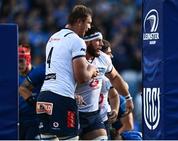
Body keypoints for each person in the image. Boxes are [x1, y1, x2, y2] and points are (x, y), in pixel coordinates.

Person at [36, 5, 98, 140]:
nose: (89, 28)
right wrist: (92, 69)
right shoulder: (77, 41)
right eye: (88, 23)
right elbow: (81, 77)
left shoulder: (52, 38)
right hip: (62, 99)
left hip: (44, 97)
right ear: (79, 21)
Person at [75, 27, 133, 140]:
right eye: (98, 40)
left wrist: (128, 97)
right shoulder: (74, 57)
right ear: (87, 42)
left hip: (94, 114)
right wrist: (72, 95)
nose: (101, 44)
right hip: (74, 112)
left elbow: (115, 78)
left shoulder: (103, 58)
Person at [101, 40, 141, 140]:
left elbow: (128, 125)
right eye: (108, 53)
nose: (111, 56)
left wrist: (112, 138)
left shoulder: (115, 87)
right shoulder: (83, 77)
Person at [18, 44, 40, 140]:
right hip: (18, 121)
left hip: (34, 121)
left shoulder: (38, 75)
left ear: (28, 59)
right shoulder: (13, 76)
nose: (18, 65)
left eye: (21, 61)